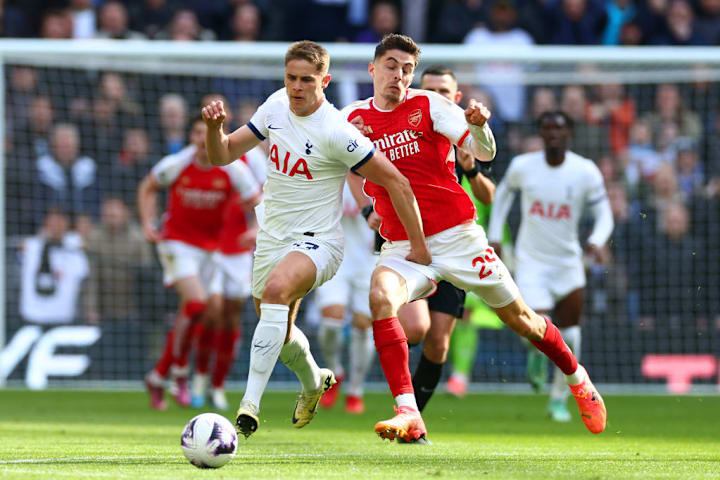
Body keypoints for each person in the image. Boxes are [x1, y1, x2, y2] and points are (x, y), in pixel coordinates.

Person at [343, 34, 607, 443]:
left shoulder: (429, 105)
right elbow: (322, 162)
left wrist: (480, 128)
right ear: (372, 69)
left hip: (459, 239)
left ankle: (578, 379)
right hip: (405, 247)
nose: (400, 75)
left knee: (524, 322)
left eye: (407, 69)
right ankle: (408, 411)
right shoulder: (351, 119)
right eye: (392, 66)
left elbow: (482, 153)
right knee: (380, 298)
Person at [200, 40, 428, 439]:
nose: (297, 87)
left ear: (325, 80)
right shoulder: (273, 107)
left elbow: (395, 180)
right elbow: (222, 155)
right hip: (272, 237)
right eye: (291, 78)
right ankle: (313, 380)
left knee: (275, 294)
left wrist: (418, 245)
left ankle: (248, 407)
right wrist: (213, 129)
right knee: (280, 329)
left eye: (307, 80)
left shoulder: (337, 131)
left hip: (319, 241)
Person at [487, 110, 614, 423]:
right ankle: (535, 355)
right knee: (534, 328)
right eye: (547, 129)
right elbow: (501, 196)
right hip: (531, 262)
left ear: (569, 133)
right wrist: (495, 237)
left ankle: (559, 399)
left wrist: (597, 240)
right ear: (540, 134)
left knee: (570, 336)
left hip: (569, 263)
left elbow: (605, 214)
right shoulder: (523, 166)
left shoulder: (585, 171)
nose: (553, 134)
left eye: (559, 129)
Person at [138, 115, 261, 411]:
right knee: (195, 305)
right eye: (197, 132)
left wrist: (254, 229)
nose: (202, 139)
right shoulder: (177, 163)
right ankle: (180, 372)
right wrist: (147, 222)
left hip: (211, 250)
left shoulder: (233, 169)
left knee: (200, 311)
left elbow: (256, 201)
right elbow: (147, 187)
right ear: (192, 137)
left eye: (209, 132)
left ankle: (158, 376)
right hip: (177, 243)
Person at [314, 183, 378, 414]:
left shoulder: (373, 170)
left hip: (369, 259)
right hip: (334, 256)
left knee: (363, 324)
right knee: (331, 320)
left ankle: (356, 390)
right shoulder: (330, 170)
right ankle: (334, 371)